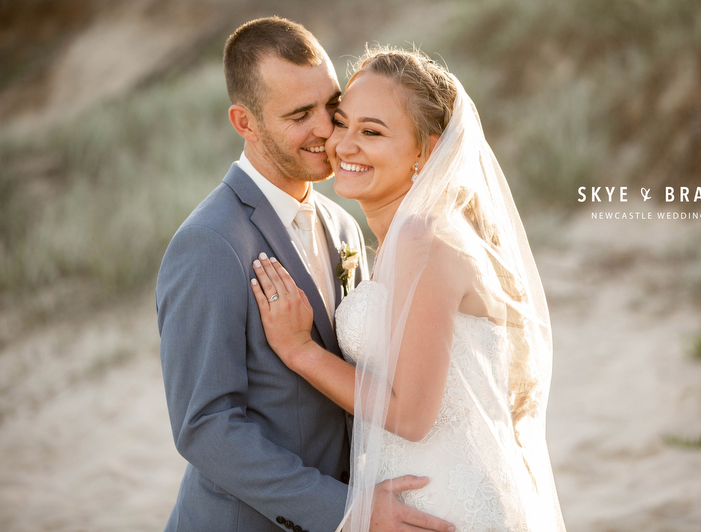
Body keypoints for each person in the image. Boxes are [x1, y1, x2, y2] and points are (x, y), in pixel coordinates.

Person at [250, 47, 567, 531]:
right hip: (419, 499)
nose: (343, 145)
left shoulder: (424, 240)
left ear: (427, 151)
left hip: (444, 507)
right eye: (342, 123)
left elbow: (413, 415)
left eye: (372, 132)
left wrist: (300, 351)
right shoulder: (408, 239)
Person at [157, 18, 455, 532]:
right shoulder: (209, 243)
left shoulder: (342, 224)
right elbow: (205, 427)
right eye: (300, 115)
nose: (326, 130)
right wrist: (345, 511)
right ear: (245, 123)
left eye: (330, 106)